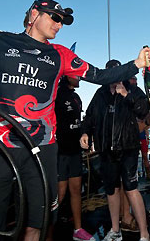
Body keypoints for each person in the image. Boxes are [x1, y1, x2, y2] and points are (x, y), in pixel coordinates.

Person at [0, 0, 150, 241]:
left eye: (63, 22)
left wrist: (136, 64)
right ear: (34, 14)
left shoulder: (61, 54)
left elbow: (100, 75)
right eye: (55, 18)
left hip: (42, 150)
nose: (59, 25)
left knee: (38, 223)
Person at [80, 59, 150, 241]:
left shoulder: (133, 90)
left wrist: (126, 95)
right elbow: (89, 116)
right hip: (106, 150)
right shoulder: (100, 93)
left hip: (128, 148)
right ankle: (115, 230)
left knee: (131, 188)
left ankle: (144, 234)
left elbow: (144, 111)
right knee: (111, 190)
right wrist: (85, 132)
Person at [53, 75, 94, 241]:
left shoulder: (76, 97)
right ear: (66, 77)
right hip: (60, 151)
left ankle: (78, 230)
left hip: (75, 151)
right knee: (59, 194)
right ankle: (47, 233)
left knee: (76, 190)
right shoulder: (56, 95)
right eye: (76, 75)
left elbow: (79, 121)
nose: (79, 78)